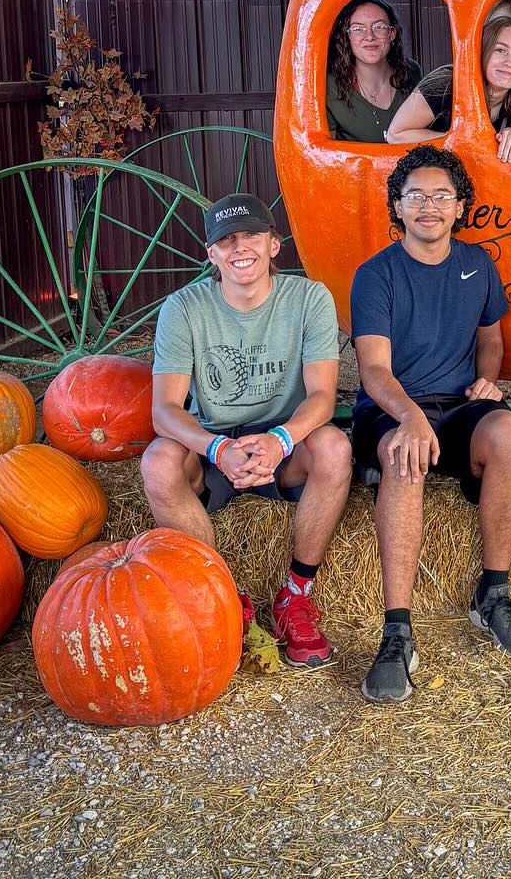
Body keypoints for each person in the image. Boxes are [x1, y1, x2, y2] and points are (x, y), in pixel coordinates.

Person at [350, 144, 511, 703]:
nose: (428, 206)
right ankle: (397, 631)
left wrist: (486, 379)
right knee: (405, 458)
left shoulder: (477, 264)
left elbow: (490, 340)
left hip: (459, 405)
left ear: (460, 206)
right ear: (398, 207)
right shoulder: (375, 274)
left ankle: (493, 592)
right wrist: (410, 418)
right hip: (391, 407)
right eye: (415, 196)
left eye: (441, 196)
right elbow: (374, 370)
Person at [142, 193, 352, 668]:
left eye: (252, 235)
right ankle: (222, 600)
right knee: (158, 461)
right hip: (213, 443)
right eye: (227, 239)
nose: (241, 248)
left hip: (284, 441)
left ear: (275, 244)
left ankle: (296, 595)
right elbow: (166, 411)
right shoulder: (184, 308)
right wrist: (217, 449)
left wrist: (281, 440)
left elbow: (322, 396)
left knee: (336, 447)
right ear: (210, 253)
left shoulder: (309, 297)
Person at [385, 14, 511, 162]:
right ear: (481, 51)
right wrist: (459, 139)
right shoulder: (446, 82)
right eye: (500, 50)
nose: (510, 63)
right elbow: (396, 135)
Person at [325, 0, 423, 144]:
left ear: (392, 34)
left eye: (379, 27)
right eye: (358, 29)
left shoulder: (411, 72)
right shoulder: (330, 86)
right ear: (347, 36)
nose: (369, 36)